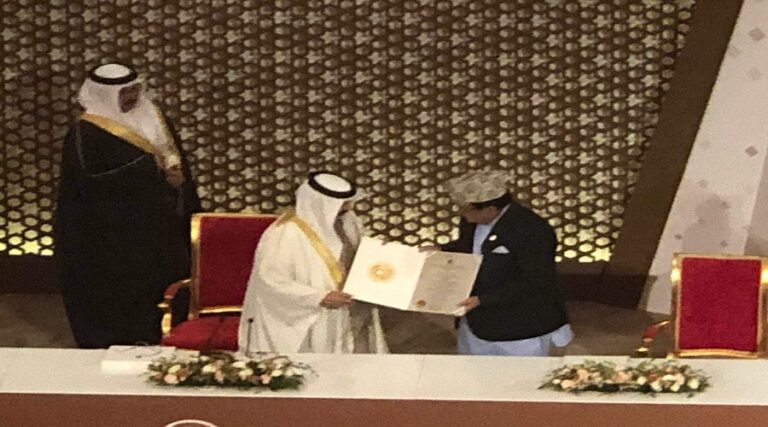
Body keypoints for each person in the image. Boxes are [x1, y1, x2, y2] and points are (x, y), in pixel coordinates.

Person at [54, 63, 200, 348]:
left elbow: (173, 157)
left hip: (160, 228)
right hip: (112, 235)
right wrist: (152, 168)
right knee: (122, 297)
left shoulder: (154, 117)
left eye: (134, 90)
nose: (132, 97)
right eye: (125, 92)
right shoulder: (87, 131)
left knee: (164, 289)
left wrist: (177, 180)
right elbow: (90, 179)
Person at [238, 171, 388, 354]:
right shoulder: (285, 233)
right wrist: (318, 297)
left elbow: (361, 256)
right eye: (342, 204)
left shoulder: (349, 222)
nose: (349, 207)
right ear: (321, 204)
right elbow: (270, 281)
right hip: (313, 317)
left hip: (352, 313)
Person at [439, 169, 572, 356]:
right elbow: (470, 246)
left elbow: (536, 280)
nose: (462, 213)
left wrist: (483, 299)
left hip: (521, 324)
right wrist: (440, 250)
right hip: (477, 320)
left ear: (490, 209)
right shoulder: (471, 220)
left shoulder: (533, 230)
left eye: (466, 209)